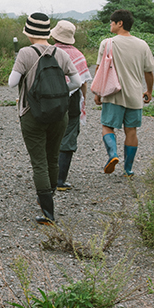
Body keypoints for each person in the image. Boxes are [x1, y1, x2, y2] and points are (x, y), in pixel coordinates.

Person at [8, 13, 83, 224]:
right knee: (52, 157)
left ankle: (47, 211)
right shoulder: (61, 53)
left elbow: (12, 82)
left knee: (39, 161)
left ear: (28, 32)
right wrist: (59, 92)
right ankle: (48, 199)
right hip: (59, 114)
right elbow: (77, 82)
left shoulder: (25, 53)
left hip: (31, 113)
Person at [93, 9, 154, 176]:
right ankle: (128, 169)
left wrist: (98, 92)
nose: (110, 25)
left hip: (112, 93)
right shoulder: (142, 44)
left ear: (120, 23)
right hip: (134, 95)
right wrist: (149, 91)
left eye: (112, 22)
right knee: (131, 130)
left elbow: (99, 69)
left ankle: (113, 154)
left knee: (107, 126)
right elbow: (149, 72)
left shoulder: (107, 43)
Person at [51, 20, 92, 190]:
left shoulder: (47, 51)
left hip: (49, 99)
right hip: (72, 99)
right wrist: (83, 100)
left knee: (49, 135)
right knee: (68, 135)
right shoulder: (78, 55)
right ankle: (60, 180)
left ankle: (45, 177)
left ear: (54, 36)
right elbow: (83, 82)